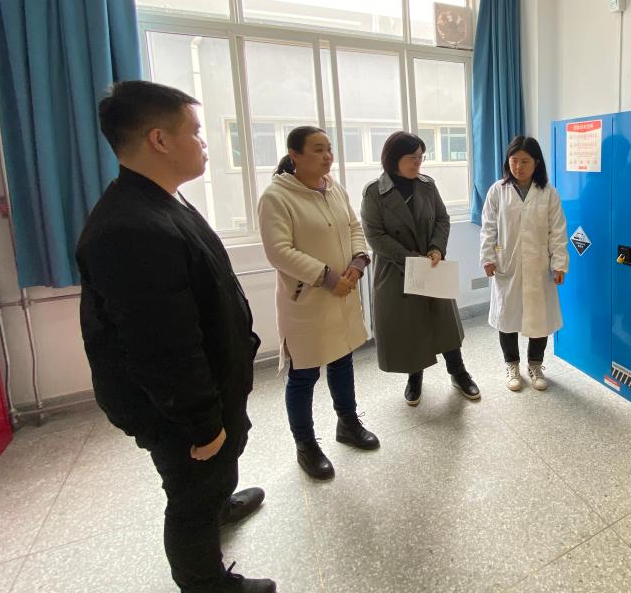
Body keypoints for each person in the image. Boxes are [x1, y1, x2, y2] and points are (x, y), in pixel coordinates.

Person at [76, 81, 275, 593]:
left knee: (215, 473)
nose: (205, 143)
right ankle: (206, 582)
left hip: (207, 388)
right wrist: (202, 425)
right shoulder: (130, 227)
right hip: (178, 410)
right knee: (191, 494)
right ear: (160, 140)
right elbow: (163, 348)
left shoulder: (160, 200)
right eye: (197, 132)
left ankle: (220, 503)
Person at [258, 126, 379, 481]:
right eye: (317, 149)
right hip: (308, 300)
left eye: (329, 148)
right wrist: (327, 277)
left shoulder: (334, 187)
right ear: (294, 155)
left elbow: (354, 226)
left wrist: (358, 263)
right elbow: (279, 251)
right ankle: (306, 444)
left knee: (342, 360)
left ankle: (348, 423)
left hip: (344, 293)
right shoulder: (277, 196)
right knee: (304, 374)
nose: (327, 156)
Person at [360, 131, 479, 405]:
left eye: (421, 157)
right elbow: (375, 236)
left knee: (445, 324)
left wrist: (436, 248)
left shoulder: (427, 185)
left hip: (431, 266)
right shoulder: (374, 192)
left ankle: (458, 372)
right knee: (409, 326)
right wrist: (413, 260)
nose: (418, 163)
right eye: (412, 157)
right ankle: (414, 378)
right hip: (397, 271)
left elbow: (442, 219)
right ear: (394, 159)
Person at [479, 136, 569, 392]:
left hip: (539, 265)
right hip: (506, 264)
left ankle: (536, 365)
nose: (518, 167)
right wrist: (487, 257)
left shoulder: (548, 193)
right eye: (514, 160)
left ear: (536, 163)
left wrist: (559, 262)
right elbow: (488, 228)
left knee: (540, 318)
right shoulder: (498, 190)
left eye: (525, 161)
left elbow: (557, 230)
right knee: (507, 318)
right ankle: (512, 365)